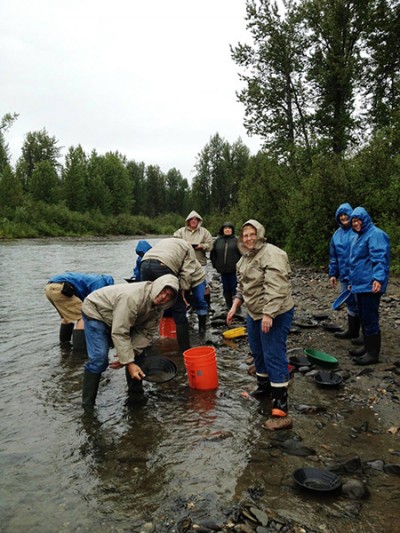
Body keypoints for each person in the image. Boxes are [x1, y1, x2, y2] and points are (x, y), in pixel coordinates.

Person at [227, 220, 294, 430]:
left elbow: (277, 286)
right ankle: (264, 389)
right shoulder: (245, 258)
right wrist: (234, 306)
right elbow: (242, 285)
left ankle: (280, 409)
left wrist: (269, 314)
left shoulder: (272, 253)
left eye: (252, 234)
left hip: (276, 312)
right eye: (245, 235)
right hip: (254, 312)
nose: (248, 238)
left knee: (273, 353)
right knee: (258, 351)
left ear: (260, 234)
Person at [81, 274, 178, 409]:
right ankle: (88, 405)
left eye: (169, 296)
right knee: (99, 359)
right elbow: (120, 331)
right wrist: (128, 361)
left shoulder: (159, 308)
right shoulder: (133, 298)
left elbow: (147, 332)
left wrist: (130, 356)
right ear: (156, 287)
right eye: (163, 292)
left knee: (138, 353)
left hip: (123, 316)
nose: (163, 297)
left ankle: (136, 396)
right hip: (96, 310)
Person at [140, 237, 208, 349]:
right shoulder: (187, 247)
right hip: (163, 265)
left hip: (144, 263)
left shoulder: (164, 241)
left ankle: (143, 346)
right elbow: (187, 272)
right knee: (179, 309)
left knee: (147, 305)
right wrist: (182, 291)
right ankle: (185, 350)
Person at [348, 207, 390, 366]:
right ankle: (366, 346)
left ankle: (373, 354)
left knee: (370, 318)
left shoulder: (375, 234)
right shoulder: (359, 237)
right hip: (360, 284)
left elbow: (380, 259)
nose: (356, 223)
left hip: (370, 285)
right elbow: (355, 263)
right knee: (364, 317)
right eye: (353, 221)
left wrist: (378, 279)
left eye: (358, 220)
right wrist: (352, 283)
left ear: (365, 219)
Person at [45, 272, 114, 348]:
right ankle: (80, 350)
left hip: (49, 288)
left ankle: (64, 344)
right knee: (83, 316)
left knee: (66, 317)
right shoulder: (100, 283)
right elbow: (96, 303)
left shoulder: (92, 279)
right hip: (60, 288)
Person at [328, 203, 360, 341]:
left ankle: (366, 336)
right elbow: (333, 256)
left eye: (345, 214)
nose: (343, 217)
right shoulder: (336, 235)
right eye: (340, 215)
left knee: (363, 304)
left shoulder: (359, 230)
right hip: (344, 275)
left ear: (351, 214)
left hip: (359, 276)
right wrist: (333, 274)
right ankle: (352, 331)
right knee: (350, 303)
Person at [174, 210, 213, 310]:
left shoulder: (204, 232)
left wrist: (203, 246)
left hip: (201, 263)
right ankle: (190, 305)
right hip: (185, 263)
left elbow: (210, 245)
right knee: (186, 284)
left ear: (199, 221)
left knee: (205, 284)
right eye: (192, 219)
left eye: (196, 219)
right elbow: (174, 243)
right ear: (188, 220)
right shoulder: (180, 231)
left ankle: (206, 305)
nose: (194, 221)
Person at [210, 222, 241, 311]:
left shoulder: (237, 241)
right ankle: (228, 305)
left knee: (235, 288)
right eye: (225, 228)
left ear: (232, 230)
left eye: (229, 228)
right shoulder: (217, 241)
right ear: (222, 230)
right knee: (226, 288)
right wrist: (215, 265)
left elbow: (242, 255)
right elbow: (213, 254)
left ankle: (237, 307)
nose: (227, 230)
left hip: (234, 269)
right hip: (223, 270)